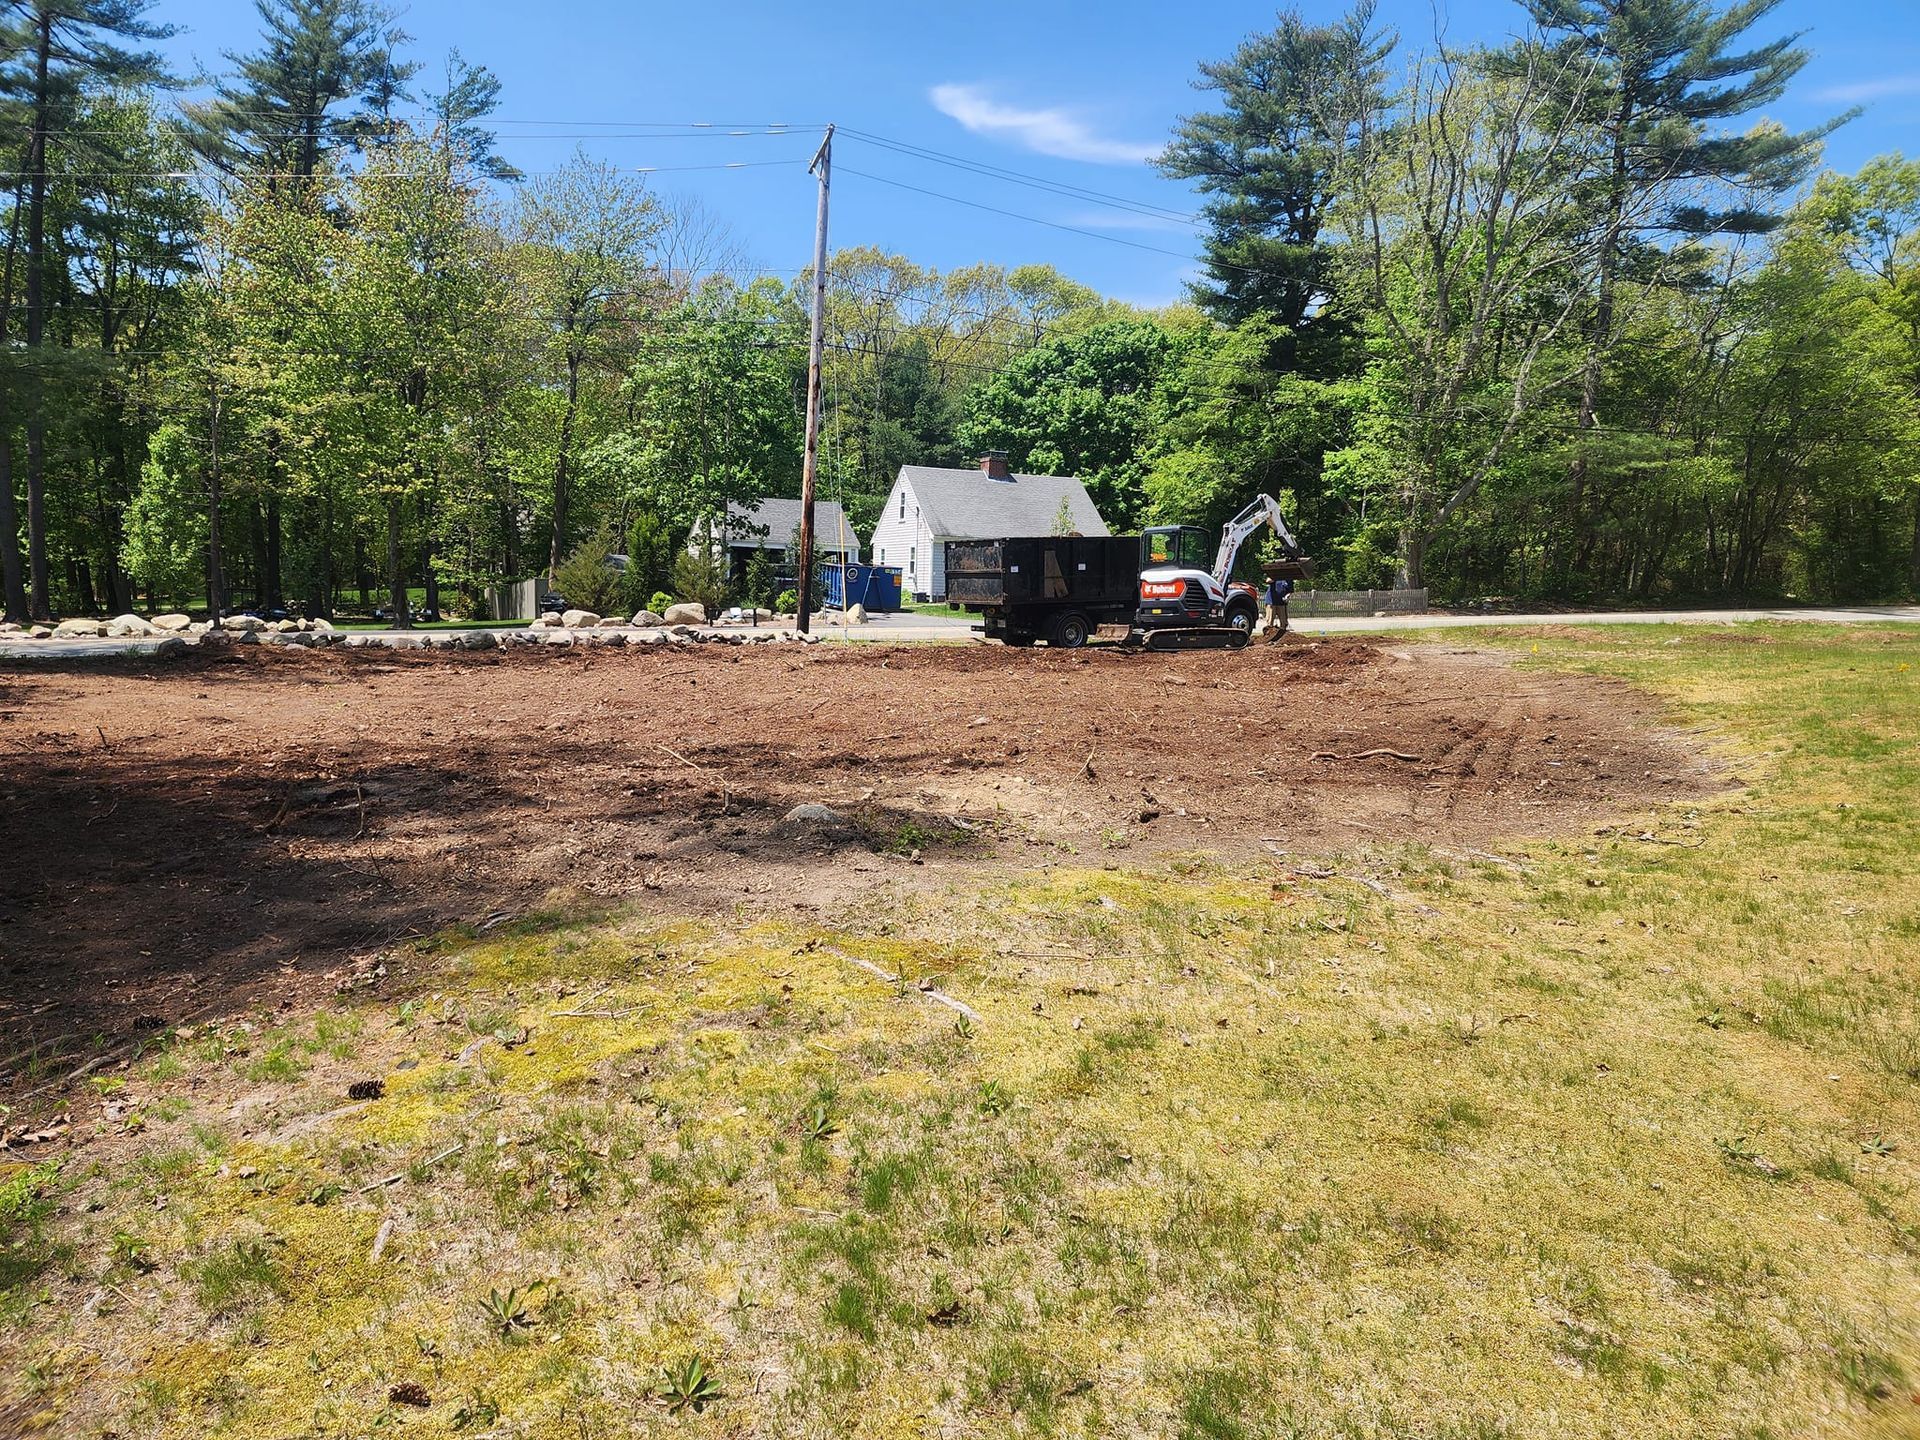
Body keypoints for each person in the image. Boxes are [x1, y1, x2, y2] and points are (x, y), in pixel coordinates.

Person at [1263, 572, 1293, 640]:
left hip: (1282, 603)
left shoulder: (1289, 579)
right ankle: (1269, 638)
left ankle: (1282, 638)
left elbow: (1290, 591)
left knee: (1283, 621)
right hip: (1271, 601)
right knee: (1270, 621)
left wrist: (1287, 596)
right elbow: (1268, 580)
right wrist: (1274, 578)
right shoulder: (1275, 575)